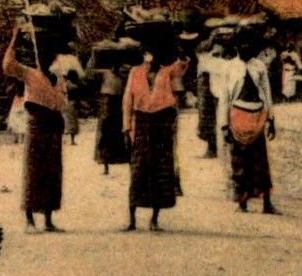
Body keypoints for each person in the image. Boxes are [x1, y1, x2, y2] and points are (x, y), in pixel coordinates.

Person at [4, 26, 67, 232]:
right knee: (33, 170)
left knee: (52, 171)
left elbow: (62, 102)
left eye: (52, 54)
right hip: (36, 123)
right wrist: (15, 38)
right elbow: (8, 65)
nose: (49, 57)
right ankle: (30, 220)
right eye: (46, 53)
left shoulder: (58, 78)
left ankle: (48, 219)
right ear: (39, 55)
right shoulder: (30, 73)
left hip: (53, 125)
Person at [122, 47, 190, 231]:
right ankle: (132, 220)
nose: (150, 57)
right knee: (138, 169)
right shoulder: (135, 72)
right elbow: (128, 98)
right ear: (143, 55)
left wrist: (180, 50)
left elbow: (181, 67)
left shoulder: (167, 70)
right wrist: (127, 126)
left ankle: (154, 219)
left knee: (160, 170)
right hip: (141, 123)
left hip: (162, 123)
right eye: (147, 53)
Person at [219, 26, 279, 214]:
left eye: (248, 43)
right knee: (239, 161)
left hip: (257, 117)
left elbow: (267, 94)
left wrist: (271, 119)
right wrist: (224, 126)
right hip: (237, 117)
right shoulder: (229, 68)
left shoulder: (259, 67)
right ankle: (242, 202)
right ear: (236, 46)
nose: (245, 47)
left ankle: (266, 203)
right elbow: (224, 98)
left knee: (260, 161)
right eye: (241, 43)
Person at [93, 50, 132, 174]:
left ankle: (121, 160)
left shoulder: (125, 73)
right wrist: (93, 56)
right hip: (107, 102)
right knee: (105, 133)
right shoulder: (105, 73)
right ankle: (105, 165)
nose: (118, 68)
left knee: (121, 132)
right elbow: (88, 74)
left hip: (118, 103)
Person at [196, 29, 233, 158]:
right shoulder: (204, 46)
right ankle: (211, 148)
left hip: (221, 82)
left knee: (226, 116)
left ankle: (226, 148)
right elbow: (201, 55)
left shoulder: (227, 48)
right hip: (207, 82)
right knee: (207, 117)